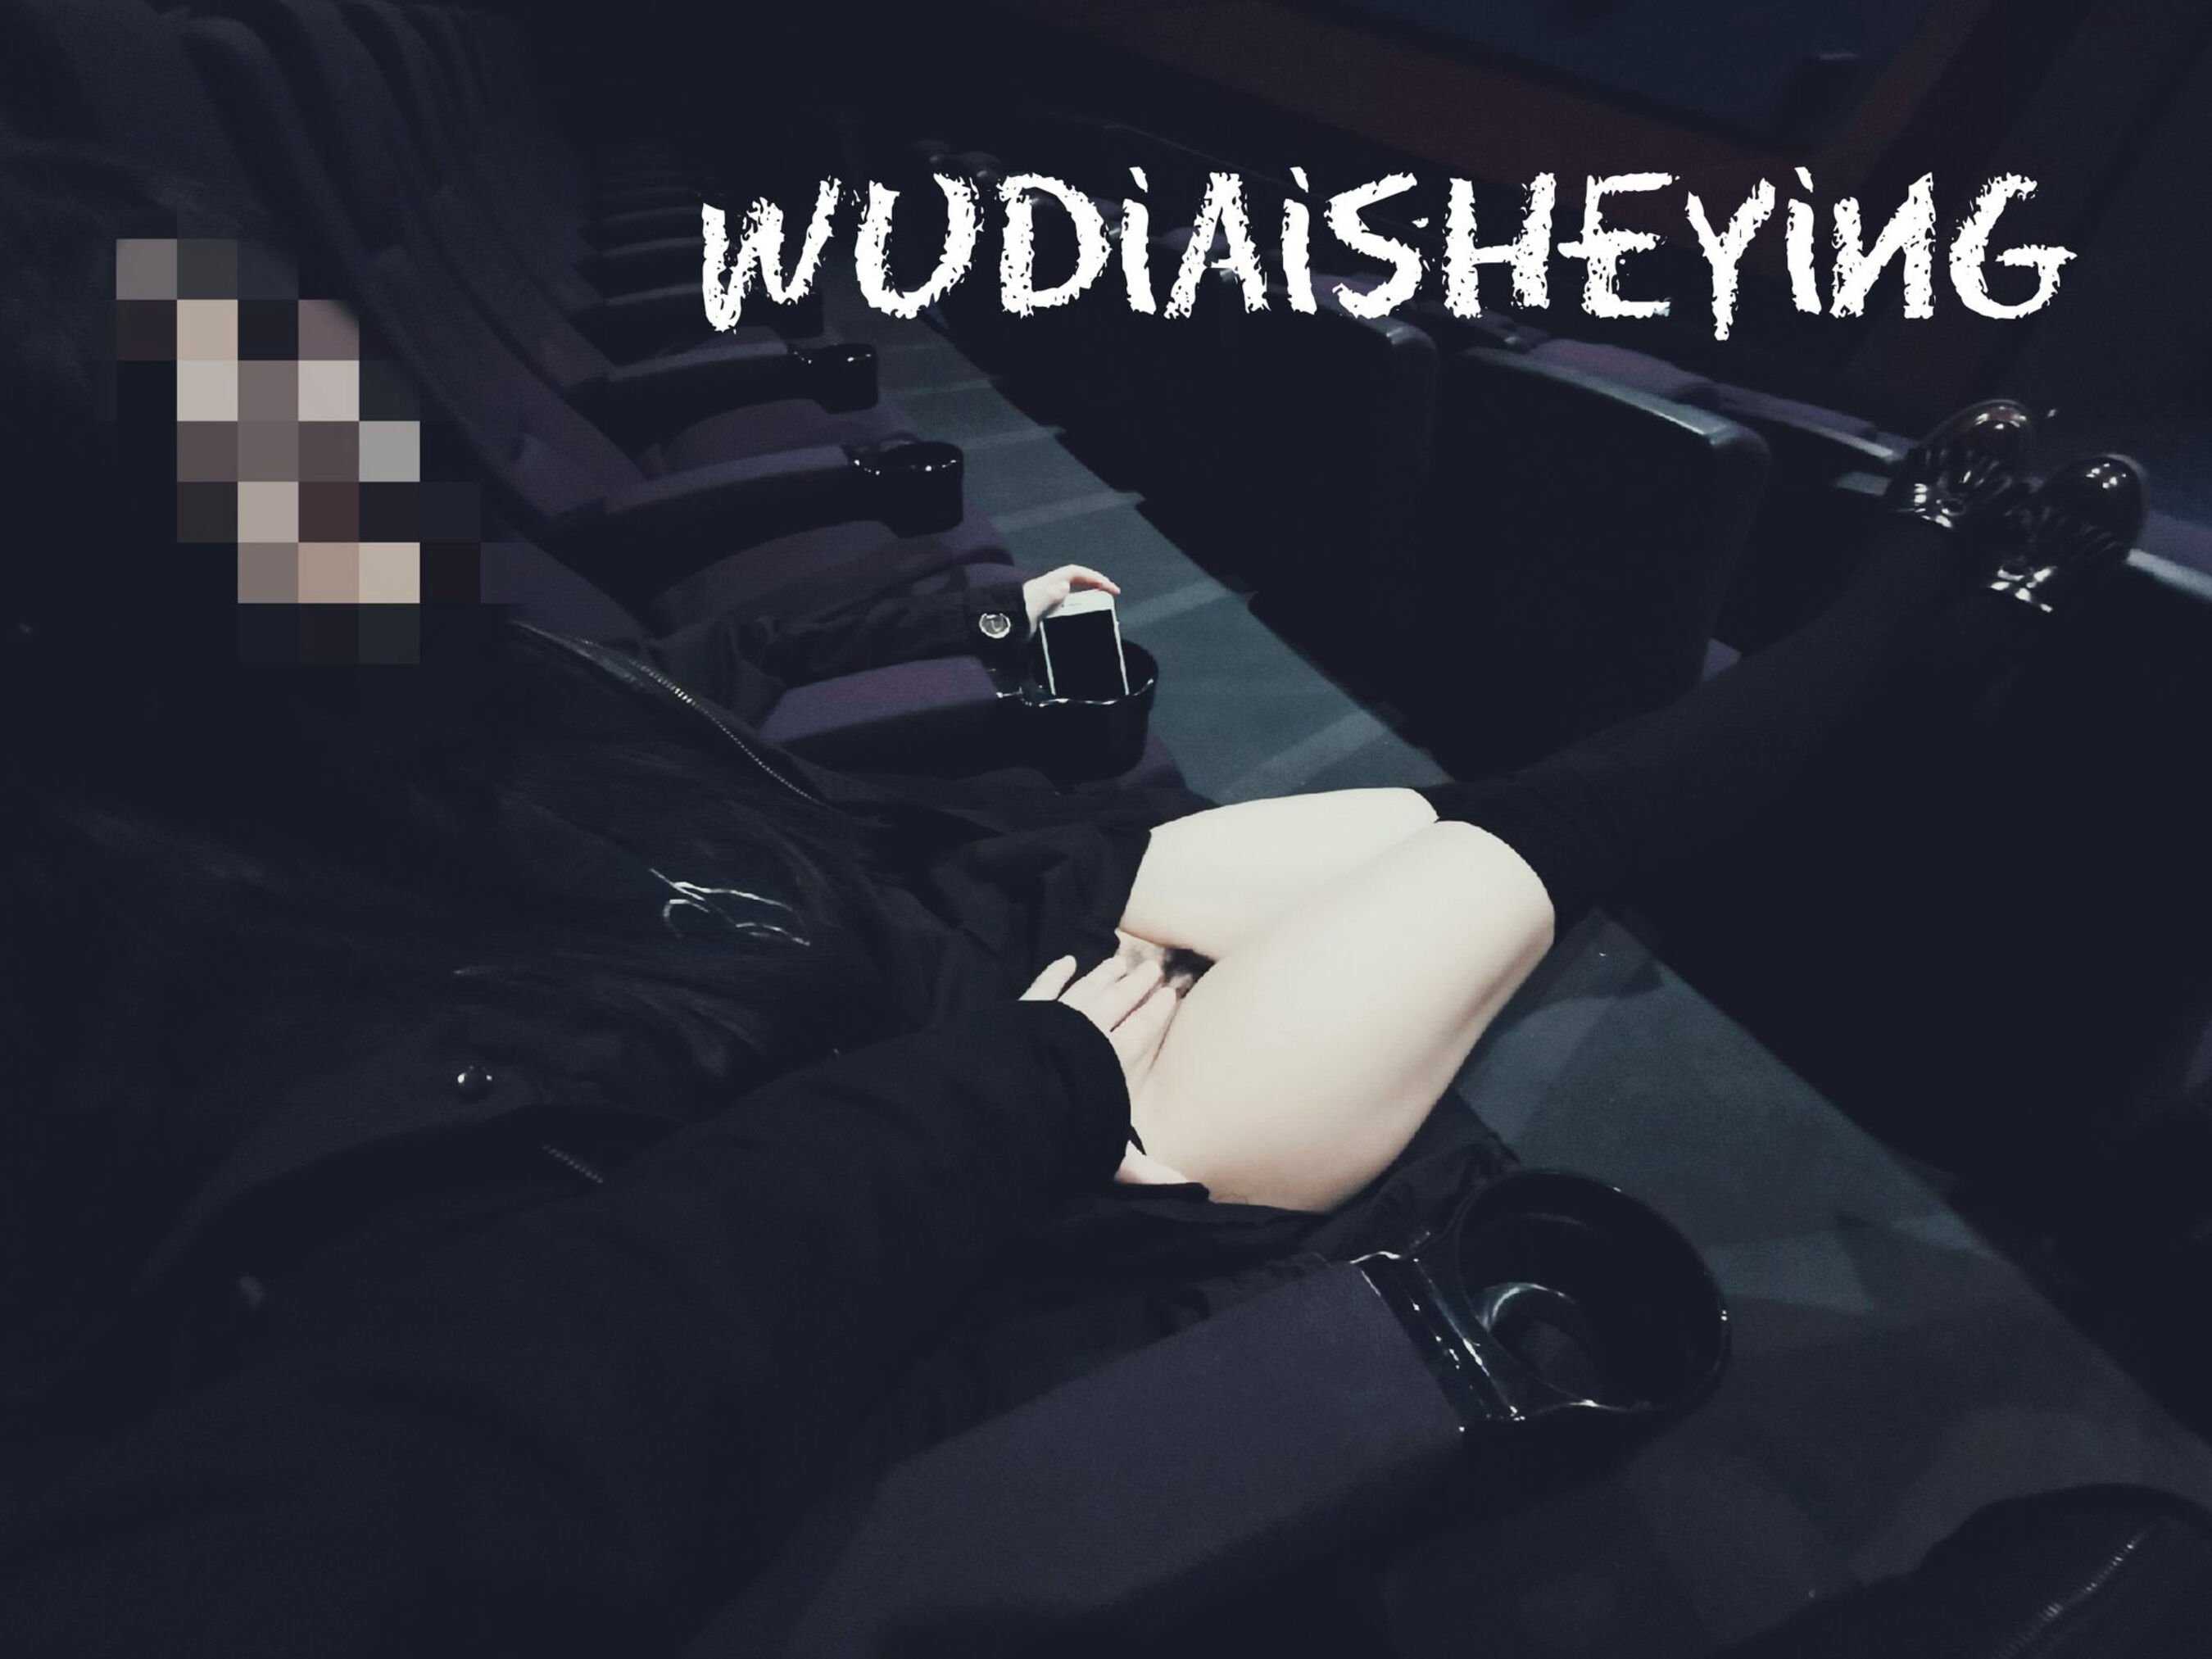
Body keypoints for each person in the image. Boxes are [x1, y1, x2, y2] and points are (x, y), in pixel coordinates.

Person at [0, 146, 2150, 1652]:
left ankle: (1923, 614)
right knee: (1517, 848)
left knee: (1452, 827)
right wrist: (1020, 1083)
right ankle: (1927, 592)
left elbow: (554, 673)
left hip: (795, 932)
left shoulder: (284, 657)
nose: (347, 440)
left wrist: (900, 666)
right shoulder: (120, 1053)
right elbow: (471, 1437)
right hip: (829, 1183)